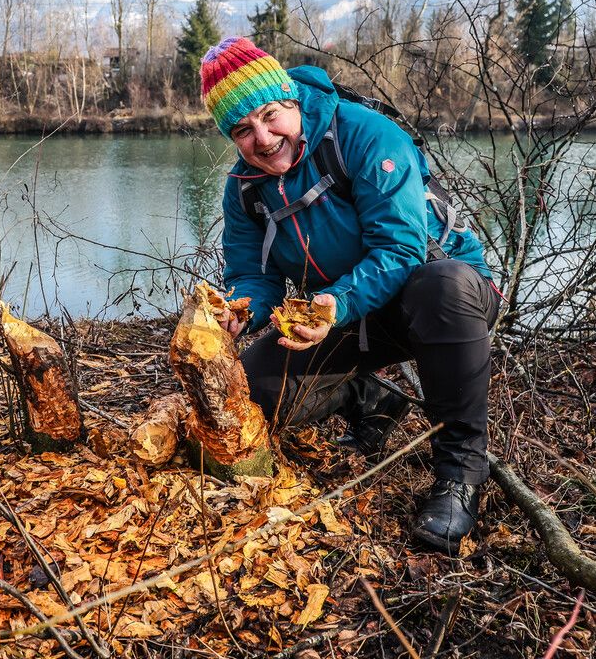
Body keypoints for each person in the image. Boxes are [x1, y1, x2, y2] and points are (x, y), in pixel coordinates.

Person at [199, 36, 499, 553]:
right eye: (243, 131)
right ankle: (371, 398)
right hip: (348, 313)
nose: (264, 139)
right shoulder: (245, 187)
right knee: (251, 389)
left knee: (441, 288)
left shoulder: (365, 135)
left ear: (291, 99)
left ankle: (460, 473)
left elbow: (402, 248)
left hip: (435, 293)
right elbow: (255, 275)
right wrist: (240, 310)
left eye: (271, 116)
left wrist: (336, 302)